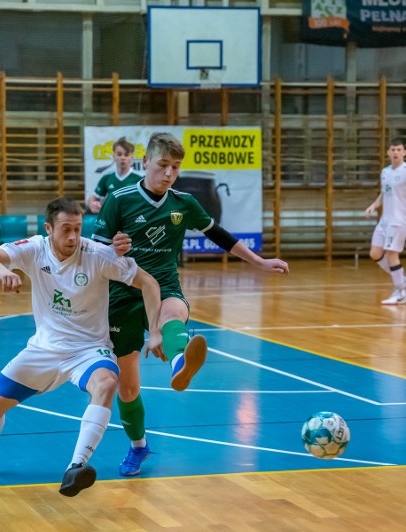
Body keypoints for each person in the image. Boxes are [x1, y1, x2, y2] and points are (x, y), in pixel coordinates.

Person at [92, 132, 289, 477]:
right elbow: (93, 255)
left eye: (175, 167)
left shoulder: (183, 203)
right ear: (146, 164)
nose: (169, 173)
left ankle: (180, 360)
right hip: (122, 293)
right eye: (163, 165)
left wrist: (259, 261)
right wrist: (114, 249)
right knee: (128, 387)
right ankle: (139, 447)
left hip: (166, 283)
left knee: (174, 314)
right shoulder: (119, 199)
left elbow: (220, 235)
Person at [0, 197, 163, 497]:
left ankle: (76, 467)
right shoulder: (35, 248)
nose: (73, 236)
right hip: (44, 349)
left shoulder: (98, 255)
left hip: (88, 350)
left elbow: (149, 283)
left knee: (107, 383)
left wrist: (154, 330)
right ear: (49, 228)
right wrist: (2, 271)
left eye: (78, 228)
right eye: (66, 229)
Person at [365, 139, 406, 305]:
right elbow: (384, 193)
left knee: (392, 254)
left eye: (399, 150)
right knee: (375, 254)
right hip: (384, 221)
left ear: (404, 152)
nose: (395, 153)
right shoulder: (385, 172)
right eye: (393, 149)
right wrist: (374, 205)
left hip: (399, 221)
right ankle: (401, 279)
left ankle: (400, 292)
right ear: (388, 152)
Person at [87, 137, 143, 215]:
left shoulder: (140, 179)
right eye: (119, 154)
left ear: (131, 157)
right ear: (114, 157)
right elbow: (93, 198)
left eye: (126, 155)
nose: (123, 158)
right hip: (111, 219)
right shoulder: (107, 177)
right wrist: (93, 204)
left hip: (132, 220)